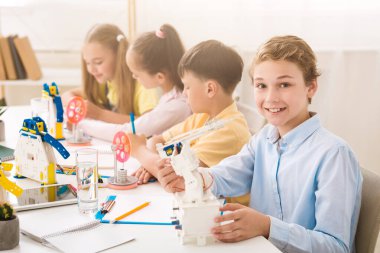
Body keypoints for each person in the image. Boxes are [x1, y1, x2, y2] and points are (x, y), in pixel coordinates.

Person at [157, 35, 362, 253]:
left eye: (284, 84)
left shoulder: (334, 155)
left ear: (311, 87)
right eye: (261, 85)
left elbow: (336, 247)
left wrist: (267, 227)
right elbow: (228, 174)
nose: (271, 97)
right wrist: (194, 178)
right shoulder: (264, 139)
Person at [129, 40, 251, 205]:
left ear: (210, 89)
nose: (184, 93)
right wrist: (153, 165)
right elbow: (157, 140)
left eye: (187, 86)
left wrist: (138, 151)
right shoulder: (202, 117)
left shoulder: (230, 130)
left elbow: (179, 179)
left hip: (222, 218)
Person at [76, 24, 192, 141]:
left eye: (137, 74)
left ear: (160, 77)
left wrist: (82, 124)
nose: (133, 76)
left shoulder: (176, 106)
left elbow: (126, 131)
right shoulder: (170, 99)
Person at [61, 23, 158, 124]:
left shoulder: (142, 84)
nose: (91, 70)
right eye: (88, 63)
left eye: (98, 62)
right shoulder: (106, 83)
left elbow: (149, 122)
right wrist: (77, 106)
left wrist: (100, 114)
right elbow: (66, 95)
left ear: (119, 55)